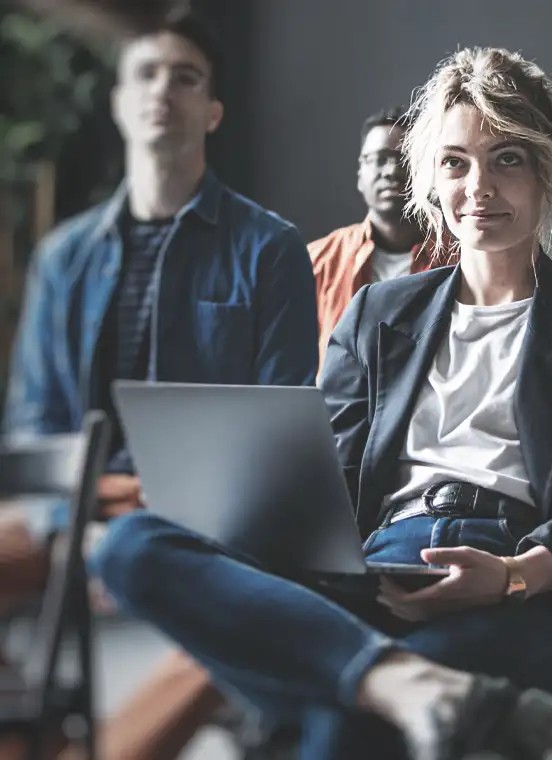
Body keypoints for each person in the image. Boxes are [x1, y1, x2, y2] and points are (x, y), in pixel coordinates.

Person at [89, 46, 552, 760]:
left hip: (522, 582)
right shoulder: (376, 312)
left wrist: (517, 573)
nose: (479, 186)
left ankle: (385, 686)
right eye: (455, 162)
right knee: (132, 544)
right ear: (430, 177)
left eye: (508, 159)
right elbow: (322, 476)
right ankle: (403, 682)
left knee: (342, 724)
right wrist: (243, 503)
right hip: (374, 570)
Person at [0, 12, 318, 760]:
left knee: (252, 614)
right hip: (78, 507)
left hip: (209, 522)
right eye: (145, 74)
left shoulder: (268, 249)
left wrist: (149, 537)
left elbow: (279, 434)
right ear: (118, 101)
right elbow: (32, 422)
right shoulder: (62, 257)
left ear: (212, 111)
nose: (162, 91)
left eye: (186, 77)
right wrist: (74, 527)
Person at [310, 106, 435, 357]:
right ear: (360, 173)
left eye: (406, 158)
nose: (391, 170)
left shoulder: (461, 261)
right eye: (379, 158)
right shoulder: (317, 261)